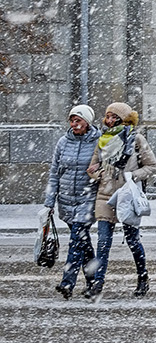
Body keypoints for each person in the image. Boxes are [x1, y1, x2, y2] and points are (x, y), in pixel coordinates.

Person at [87, 102, 156, 298]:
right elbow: (93, 167)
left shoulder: (136, 139)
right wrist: (97, 174)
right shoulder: (102, 139)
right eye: (107, 116)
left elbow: (151, 166)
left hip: (128, 195)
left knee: (133, 241)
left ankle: (143, 278)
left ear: (124, 119)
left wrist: (132, 176)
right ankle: (98, 284)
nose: (109, 120)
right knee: (103, 243)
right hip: (105, 196)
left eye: (113, 117)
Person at [43, 104, 100, 300]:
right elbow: (54, 174)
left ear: (87, 122)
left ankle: (68, 282)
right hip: (66, 200)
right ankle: (94, 282)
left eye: (78, 120)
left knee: (76, 239)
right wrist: (49, 202)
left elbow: (104, 170)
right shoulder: (63, 142)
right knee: (83, 244)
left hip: (88, 199)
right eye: (72, 120)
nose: (74, 124)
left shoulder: (98, 142)